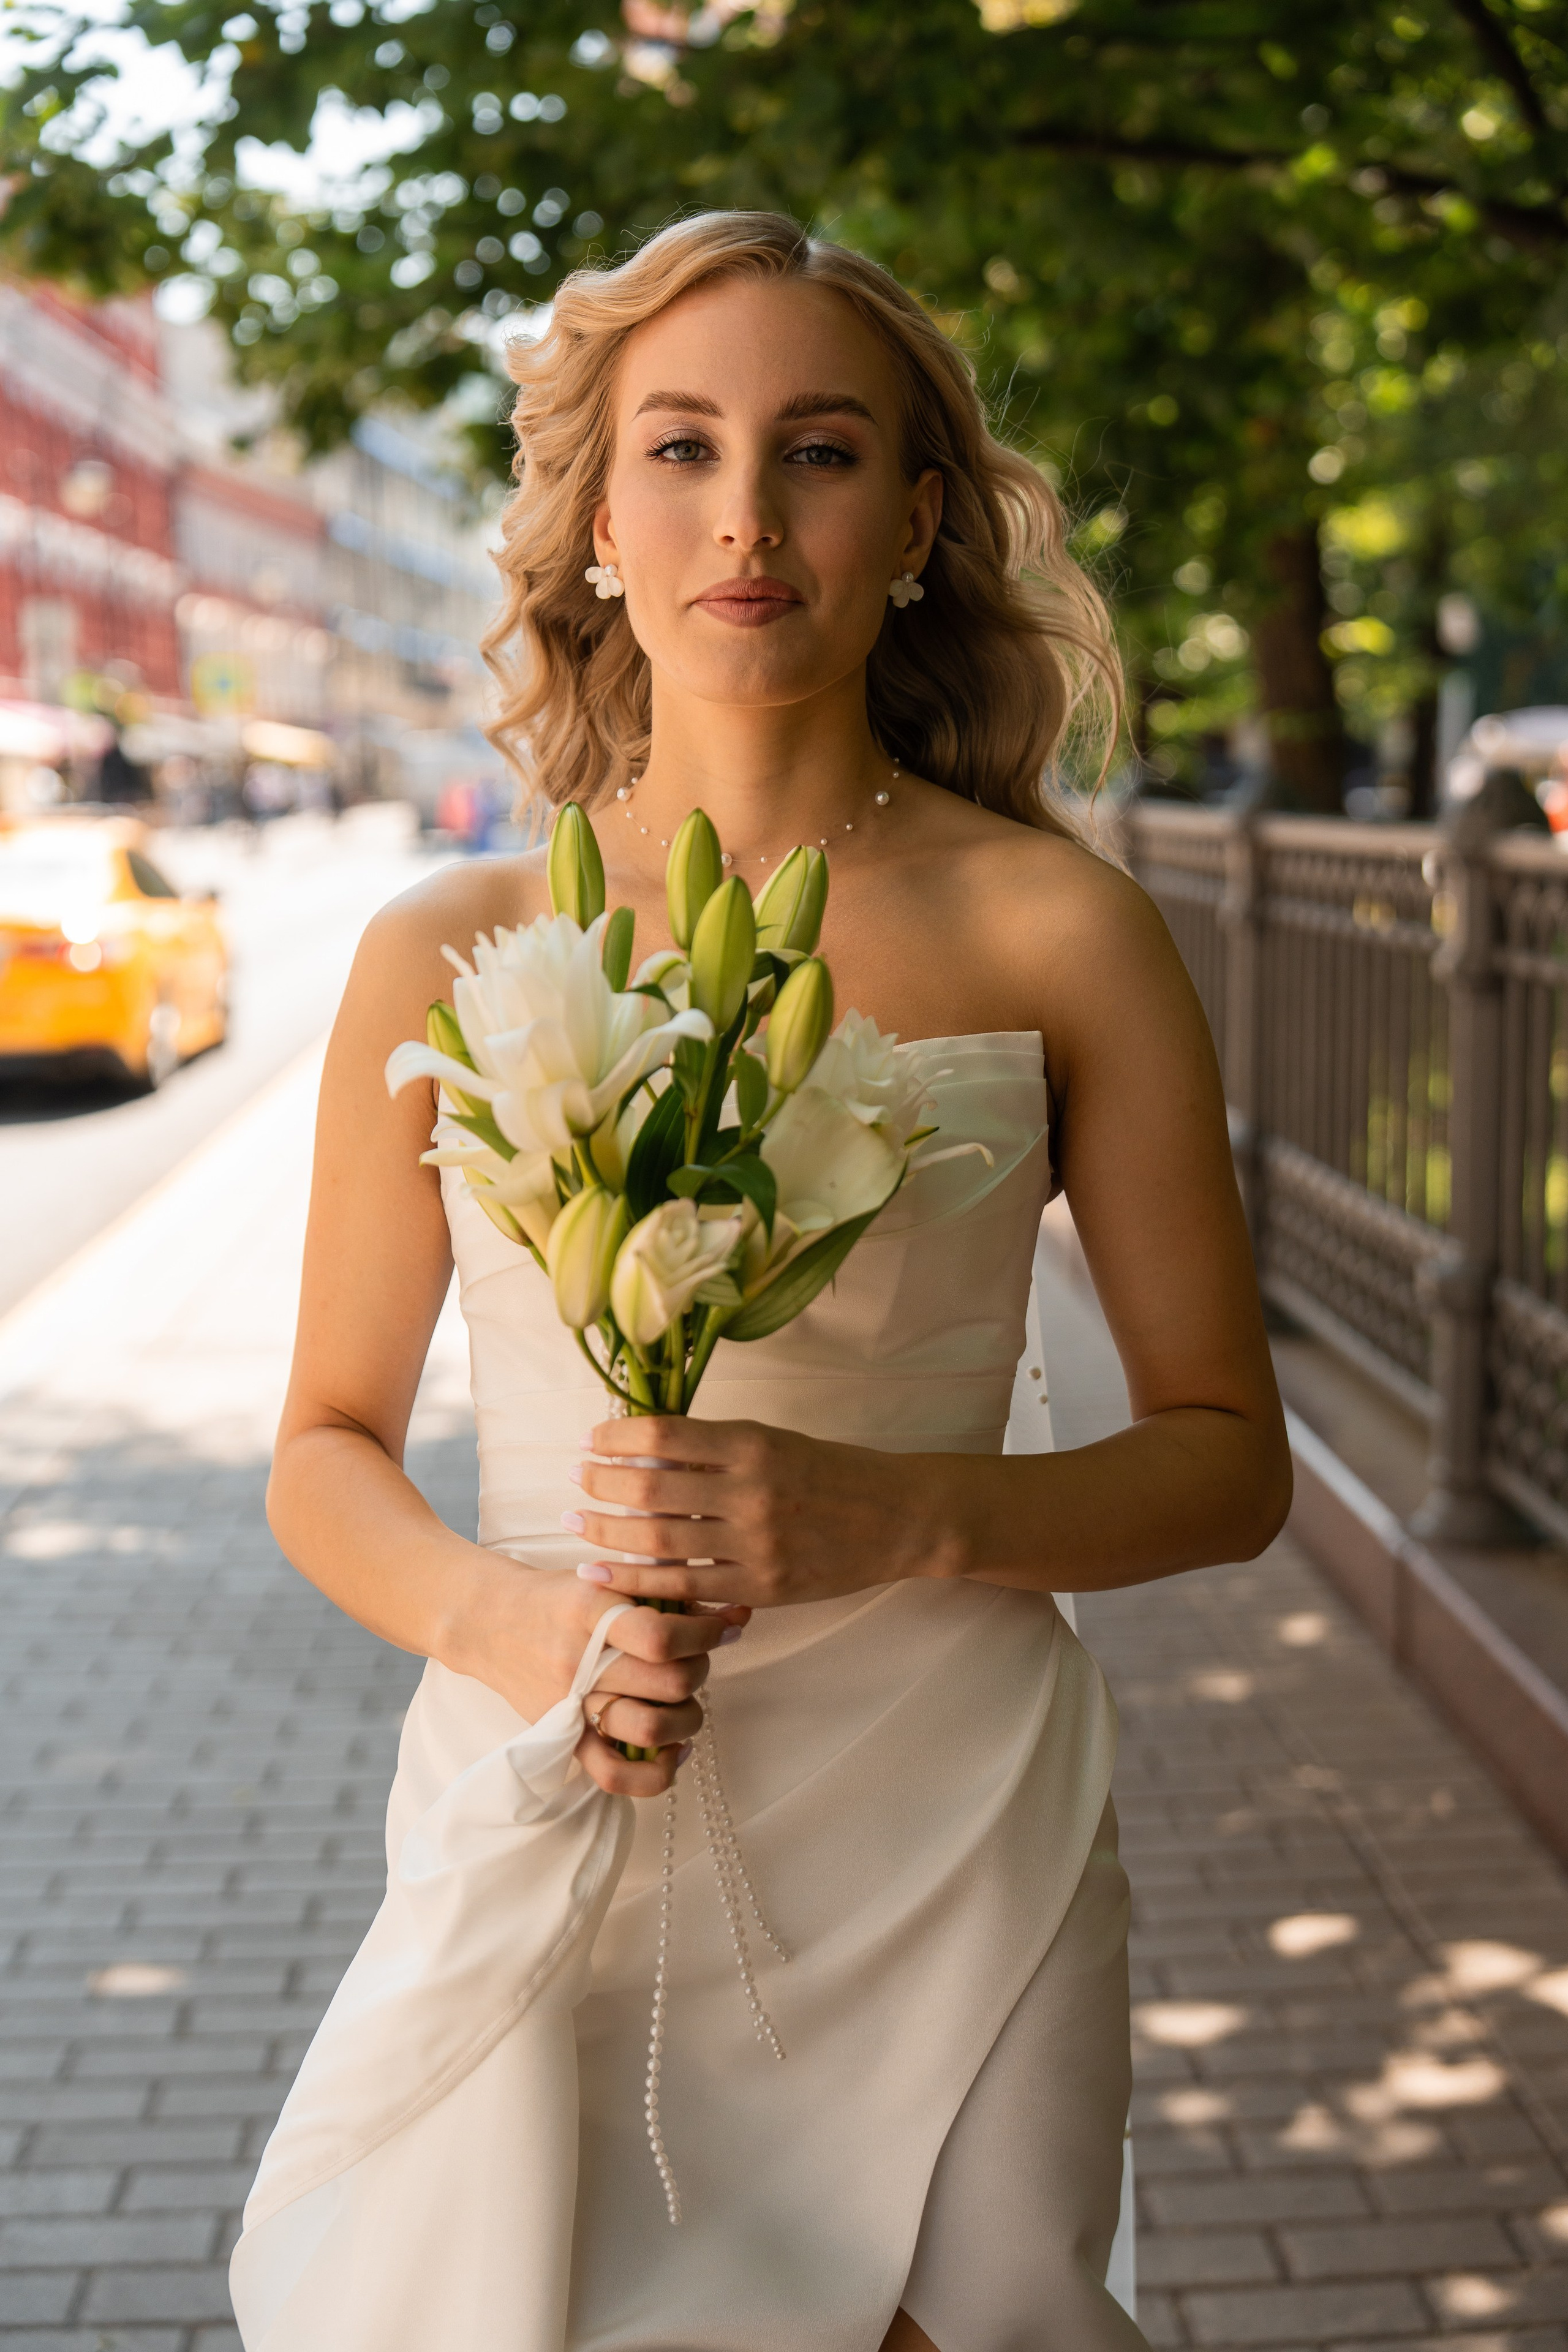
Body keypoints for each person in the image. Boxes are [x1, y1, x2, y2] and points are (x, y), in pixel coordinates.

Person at [233, 212, 1291, 2352]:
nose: (746, 514)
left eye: (817, 453)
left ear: (914, 521)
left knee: (986, 2312)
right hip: (563, 1756)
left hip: (953, 1789)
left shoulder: (1057, 935)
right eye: (682, 451)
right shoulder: (441, 949)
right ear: (602, 521)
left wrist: (903, 1515)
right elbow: (323, 1451)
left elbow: (1226, 1462)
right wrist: (518, 1630)